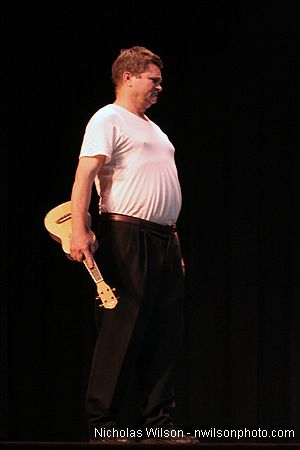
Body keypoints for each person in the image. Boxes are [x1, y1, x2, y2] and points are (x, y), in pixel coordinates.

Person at [69, 46, 197, 445]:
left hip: (163, 239)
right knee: (121, 331)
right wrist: (79, 228)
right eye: (153, 79)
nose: (160, 86)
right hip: (127, 236)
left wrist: (173, 242)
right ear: (128, 77)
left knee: (164, 334)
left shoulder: (153, 127)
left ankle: (158, 423)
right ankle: (105, 423)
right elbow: (85, 174)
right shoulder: (108, 118)